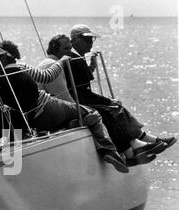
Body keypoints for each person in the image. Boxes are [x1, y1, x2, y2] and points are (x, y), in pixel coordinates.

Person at [0, 45, 130, 173]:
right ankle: (108, 150)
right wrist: (62, 62)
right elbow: (47, 76)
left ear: (3, 59)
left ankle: (74, 125)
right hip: (46, 108)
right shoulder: (20, 69)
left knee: (70, 116)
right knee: (92, 112)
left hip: (32, 121)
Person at [66, 24, 176, 163]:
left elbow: (79, 83)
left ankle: (140, 142)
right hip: (78, 101)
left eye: (91, 40)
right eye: (86, 40)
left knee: (114, 108)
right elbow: (82, 92)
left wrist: (91, 67)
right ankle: (131, 149)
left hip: (79, 99)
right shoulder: (74, 60)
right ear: (75, 40)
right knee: (110, 110)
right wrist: (107, 101)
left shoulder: (76, 59)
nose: (90, 43)